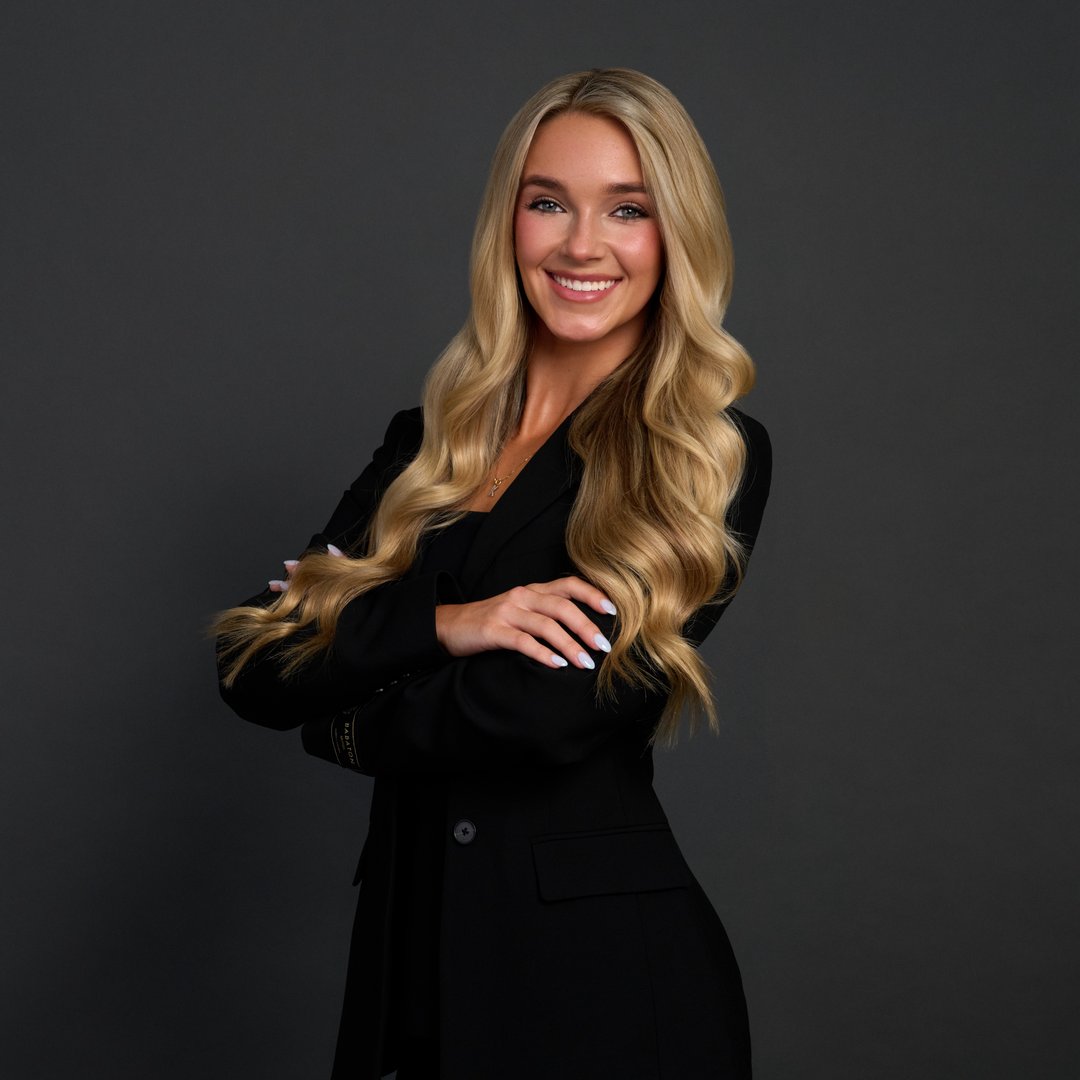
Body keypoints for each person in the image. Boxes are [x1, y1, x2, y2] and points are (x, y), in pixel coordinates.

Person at [214, 67, 772, 1080]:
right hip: (410, 973)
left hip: (602, 987)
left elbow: (548, 712)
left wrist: (343, 717)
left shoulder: (705, 451)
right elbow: (252, 668)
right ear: (507, 222)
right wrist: (453, 623)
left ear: (676, 233)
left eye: (628, 210)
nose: (581, 245)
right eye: (548, 202)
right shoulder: (426, 442)